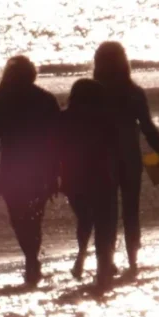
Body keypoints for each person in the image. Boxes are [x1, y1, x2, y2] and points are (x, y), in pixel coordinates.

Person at [93, 41, 159, 278]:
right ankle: (133, 259)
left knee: (105, 211)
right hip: (129, 157)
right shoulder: (133, 92)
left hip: (100, 158)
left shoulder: (92, 93)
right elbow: (147, 127)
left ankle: (105, 262)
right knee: (131, 210)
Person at [0, 56, 60, 287]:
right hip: (40, 167)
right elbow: (57, 140)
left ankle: (31, 259)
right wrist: (55, 172)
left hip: (12, 167)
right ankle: (32, 258)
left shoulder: (1, 99)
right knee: (35, 217)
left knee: (18, 218)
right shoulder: (45, 99)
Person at [58, 79, 119, 290]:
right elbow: (115, 150)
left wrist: (54, 178)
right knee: (105, 223)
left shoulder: (63, 119)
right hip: (101, 177)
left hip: (73, 179)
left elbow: (54, 152)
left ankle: (82, 256)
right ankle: (104, 268)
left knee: (85, 219)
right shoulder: (104, 120)